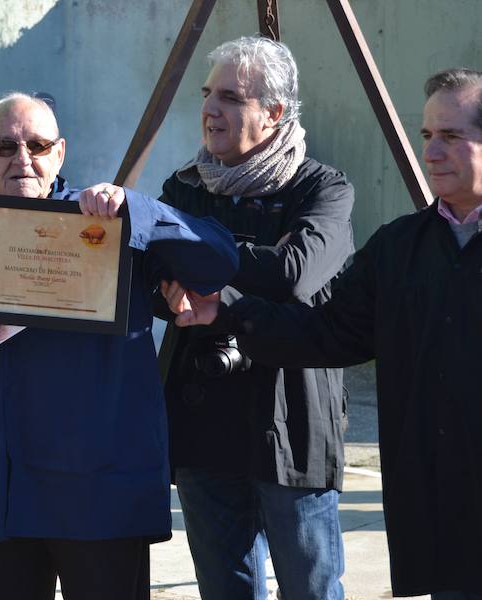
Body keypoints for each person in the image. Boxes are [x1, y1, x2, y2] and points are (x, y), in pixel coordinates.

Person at [0, 92, 239, 600]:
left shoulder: (111, 224)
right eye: (6, 146)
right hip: (2, 496)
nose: (22, 159)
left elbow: (218, 260)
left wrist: (138, 209)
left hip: (102, 497)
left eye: (36, 146)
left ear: (60, 153)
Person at [161, 67, 482, 599]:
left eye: (451, 136)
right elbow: (327, 333)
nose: (432, 152)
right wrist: (228, 309)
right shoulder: (400, 247)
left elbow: (295, 272)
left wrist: (215, 265)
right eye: (427, 135)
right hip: (441, 501)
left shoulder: (323, 188)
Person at [150, 36, 355, 600]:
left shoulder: (323, 188)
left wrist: (204, 256)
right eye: (207, 94)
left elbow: (297, 272)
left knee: (310, 589)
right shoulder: (186, 186)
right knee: (224, 590)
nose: (211, 109)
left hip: (292, 423)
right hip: (202, 420)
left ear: (274, 114)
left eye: (231, 98)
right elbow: (151, 275)